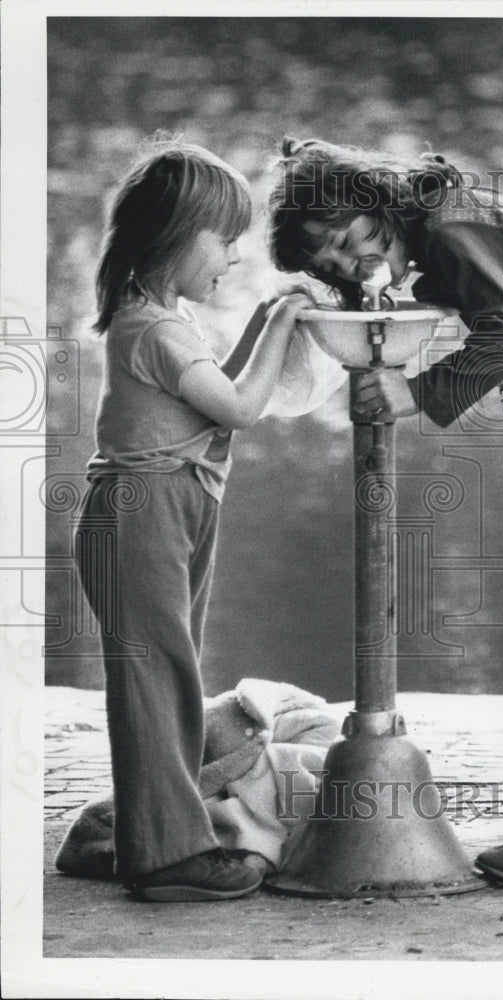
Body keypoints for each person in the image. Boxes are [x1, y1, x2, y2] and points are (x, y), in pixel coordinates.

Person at [267, 137, 503, 886]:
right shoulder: (431, 222)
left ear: (376, 206)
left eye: (350, 243)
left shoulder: (443, 224)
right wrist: (348, 298)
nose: (350, 265)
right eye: (330, 265)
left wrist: (416, 392)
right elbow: (445, 296)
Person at [75, 140, 311, 901]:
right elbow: (241, 406)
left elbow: (223, 391)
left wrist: (271, 319)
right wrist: (280, 324)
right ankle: (164, 858)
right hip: (142, 514)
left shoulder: (166, 317)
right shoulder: (153, 330)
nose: (235, 256)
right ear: (172, 237)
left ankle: (142, 833)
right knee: (156, 680)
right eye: (224, 237)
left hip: (174, 510)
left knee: (169, 678)